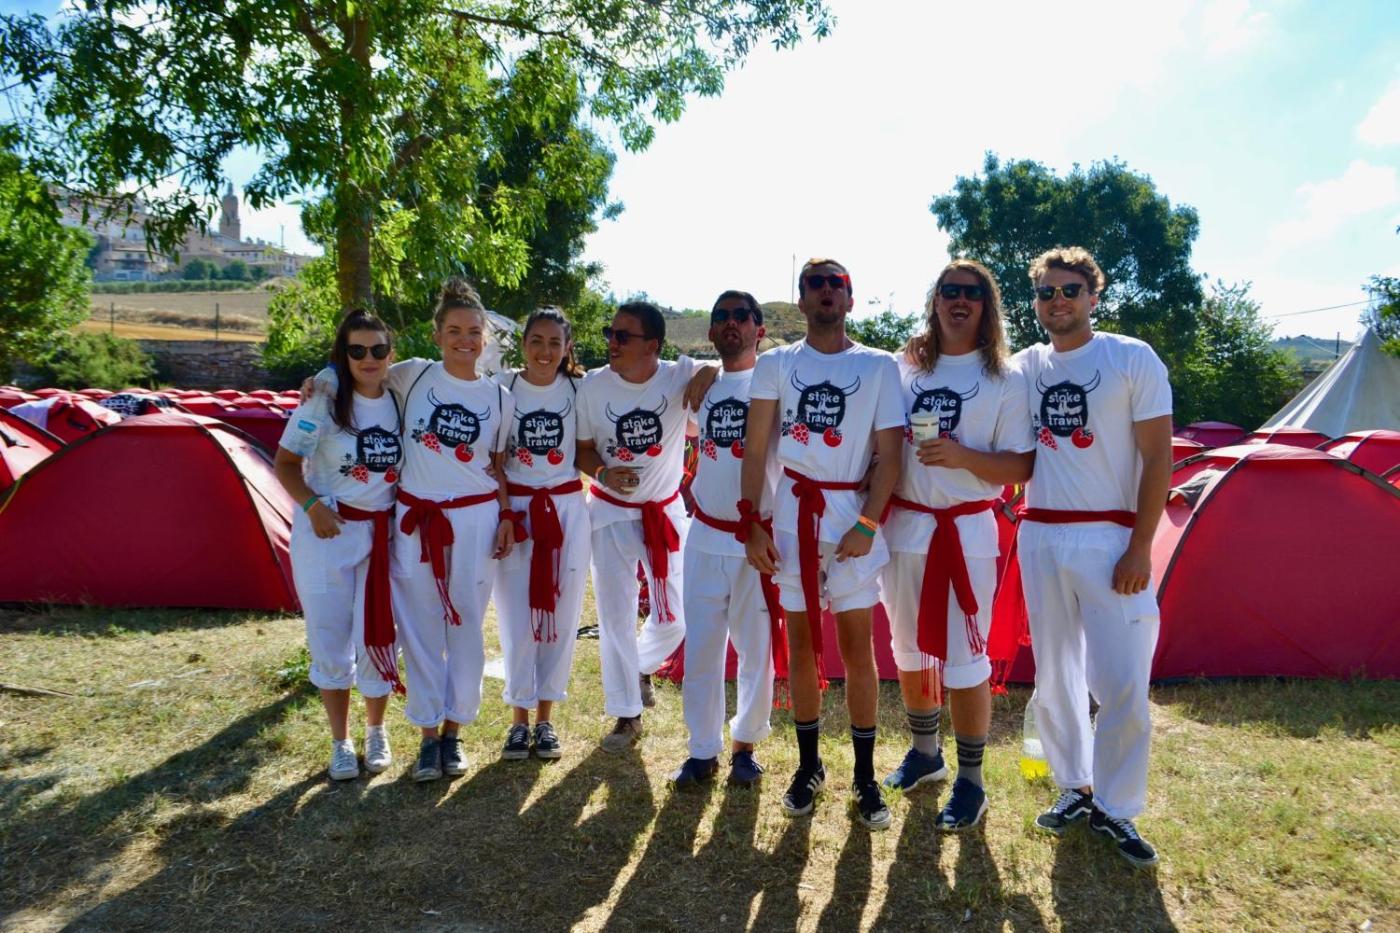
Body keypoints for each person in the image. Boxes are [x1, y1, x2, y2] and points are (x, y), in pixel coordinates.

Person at [314, 278, 516, 781]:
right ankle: (427, 735)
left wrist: (507, 516)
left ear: (485, 337)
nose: (465, 340)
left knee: (466, 626)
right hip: (415, 518)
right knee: (421, 628)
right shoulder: (413, 375)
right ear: (437, 334)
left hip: (475, 520)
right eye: (454, 331)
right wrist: (321, 377)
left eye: (474, 332)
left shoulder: (500, 397)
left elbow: (497, 467)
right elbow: (359, 370)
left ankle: (454, 731)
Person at [1015, 247, 1172, 867]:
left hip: (1111, 537)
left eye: (1070, 290)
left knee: (1123, 679)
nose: (1058, 300)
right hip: (1042, 534)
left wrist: (1140, 545)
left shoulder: (1130, 357)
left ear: (1093, 296)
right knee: (1055, 675)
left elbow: (1158, 458)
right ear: (1036, 302)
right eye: (1047, 292)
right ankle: (1074, 788)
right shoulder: (1026, 365)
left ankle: (1117, 805)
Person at [741, 258, 905, 829]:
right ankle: (809, 766)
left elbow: (891, 455)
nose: (827, 291)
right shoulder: (776, 363)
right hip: (793, 519)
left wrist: (867, 523)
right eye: (816, 284)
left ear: (850, 299)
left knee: (858, 649)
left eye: (837, 283)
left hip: (850, 519)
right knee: (803, 647)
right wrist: (751, 521)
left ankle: (864, 774)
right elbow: (755, 449)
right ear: (802, 299)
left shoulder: (879, 366)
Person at [879, 260, 1033, 830]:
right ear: (936, 300)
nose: (959, 300)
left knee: (966, 660)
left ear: (987, 305)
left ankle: (971, 781)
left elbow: (1021, 466)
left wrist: (963, 456)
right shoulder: (906, 368)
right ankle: (926, 756)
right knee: (910, 650)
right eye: (949, 291)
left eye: (972, 292)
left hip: (966, 534)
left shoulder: (1005, 379)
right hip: (906, 528)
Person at [274, 309, 404, 781]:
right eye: (357, 350)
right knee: (330, 639)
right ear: (342, 355)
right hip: (328, 535)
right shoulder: (323, 403)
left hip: (382, 537)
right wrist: (313, 507)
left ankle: (376, 730)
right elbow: (286, 463)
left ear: (390, 353)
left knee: (378, 635)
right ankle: (340, 741)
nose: (369, 358)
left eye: (378, 349)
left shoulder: (400, 397)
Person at [575, 301, 709, 752]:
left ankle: (639, 667)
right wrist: (603, 472)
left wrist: (710, 372)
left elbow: (733, 366)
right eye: (610, 333)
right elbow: (583, 448)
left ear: (653, 345)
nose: (611, 343)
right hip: (610, 511)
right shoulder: (593, 385)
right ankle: (626, 713)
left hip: (664, 512)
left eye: (623, 336)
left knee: (676, 617)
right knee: (615, 615)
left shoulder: (679, 375)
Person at [669, 290, 781, 789]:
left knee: (756, 649)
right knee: (703, 649)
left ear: (760, 329)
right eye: (722, 317)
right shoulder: (706, 385)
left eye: (742, 316)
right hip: (705, 533)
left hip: (755, 537)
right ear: (712, 331)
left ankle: (745, 746)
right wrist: (708, 371)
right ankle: (701, 749)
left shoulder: (776, 381)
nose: (731, 323)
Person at [494, 308, 589, 761]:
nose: (545, 351)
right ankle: (519, 719)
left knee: (561, 616)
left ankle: (546, 718)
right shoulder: (502, 388)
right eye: (537, 340)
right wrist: (503, 513)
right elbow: (494, 461)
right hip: (517, 512)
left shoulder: (580, 389)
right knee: (517, 618)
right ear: (524, 343)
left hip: (566, 510)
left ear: (567, 347)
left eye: (555, 342)